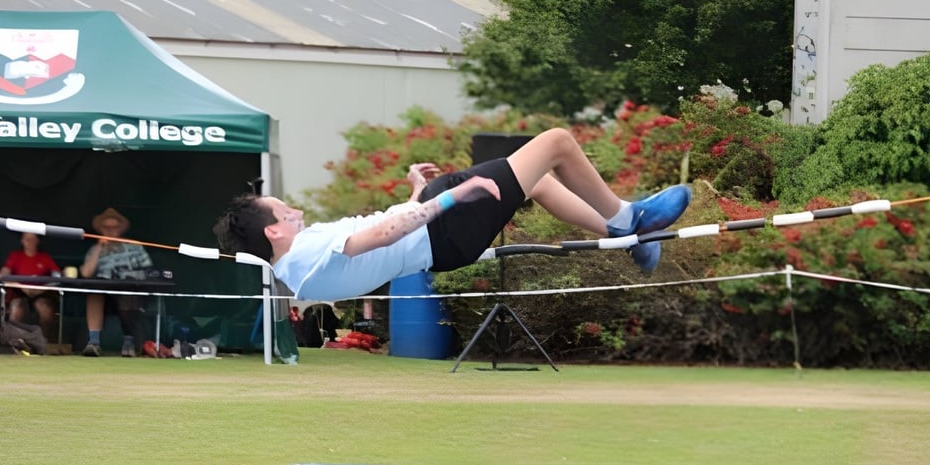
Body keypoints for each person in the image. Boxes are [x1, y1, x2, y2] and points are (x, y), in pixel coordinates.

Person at [214, 127, 691, 302]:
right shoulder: (307, 254)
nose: (294, 209)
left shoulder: (299, 268)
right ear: (273, 229)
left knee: (539, 182)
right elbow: (380, 236)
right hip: (443, 227)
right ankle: (630, 218)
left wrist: (416, 193)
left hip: (439, 239)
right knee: (556, 143)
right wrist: (447, 199)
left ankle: (630, 238)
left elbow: (382, 241)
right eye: (284, 209)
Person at [79, 207, 154, 357]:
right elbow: (85, 273)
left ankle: (129, 342)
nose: (110, 231)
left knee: (127, 295)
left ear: (120, 229)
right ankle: (94, 343)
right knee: (94, 294)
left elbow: (149, 271)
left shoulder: (135, 246)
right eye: (107, 228)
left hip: (128, 290)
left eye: (114, 228)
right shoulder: (95, 249)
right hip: (104, 292)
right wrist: (99, 247)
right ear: (101, 230)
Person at [0, 232, 61, 339]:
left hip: (40, 291)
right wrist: (19, 285)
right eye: (26, 239)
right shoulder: (15, 256)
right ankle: (13, 343)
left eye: (32, 239)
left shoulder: (44, 257)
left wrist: (42, 288)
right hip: (19, 291)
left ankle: (43, 343)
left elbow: (57, 277)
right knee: (16, 309)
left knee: (45, 309)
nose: (29, 242)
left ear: (38, 241)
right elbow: (2, 276)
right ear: (22, 241)